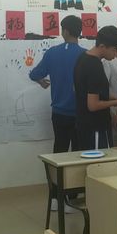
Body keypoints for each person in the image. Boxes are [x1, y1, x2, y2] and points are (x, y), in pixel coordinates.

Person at [73, 26, 117, 149]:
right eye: (114, 50)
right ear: (102, 46)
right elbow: (93, 105)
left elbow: (90, 91)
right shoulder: (94, 66)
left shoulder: (83, 57)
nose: (115, 54)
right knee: (100, 160)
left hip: (85, 124)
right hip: (95, 127)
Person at [28, 15, 85, 153]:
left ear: (65, 31)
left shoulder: (52, 52)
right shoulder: (85, 54)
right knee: (79, 151)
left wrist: (41, 82)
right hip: (80, 112)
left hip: (59, 112)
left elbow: (34, 74)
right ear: (79, 32)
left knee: (60, 149)